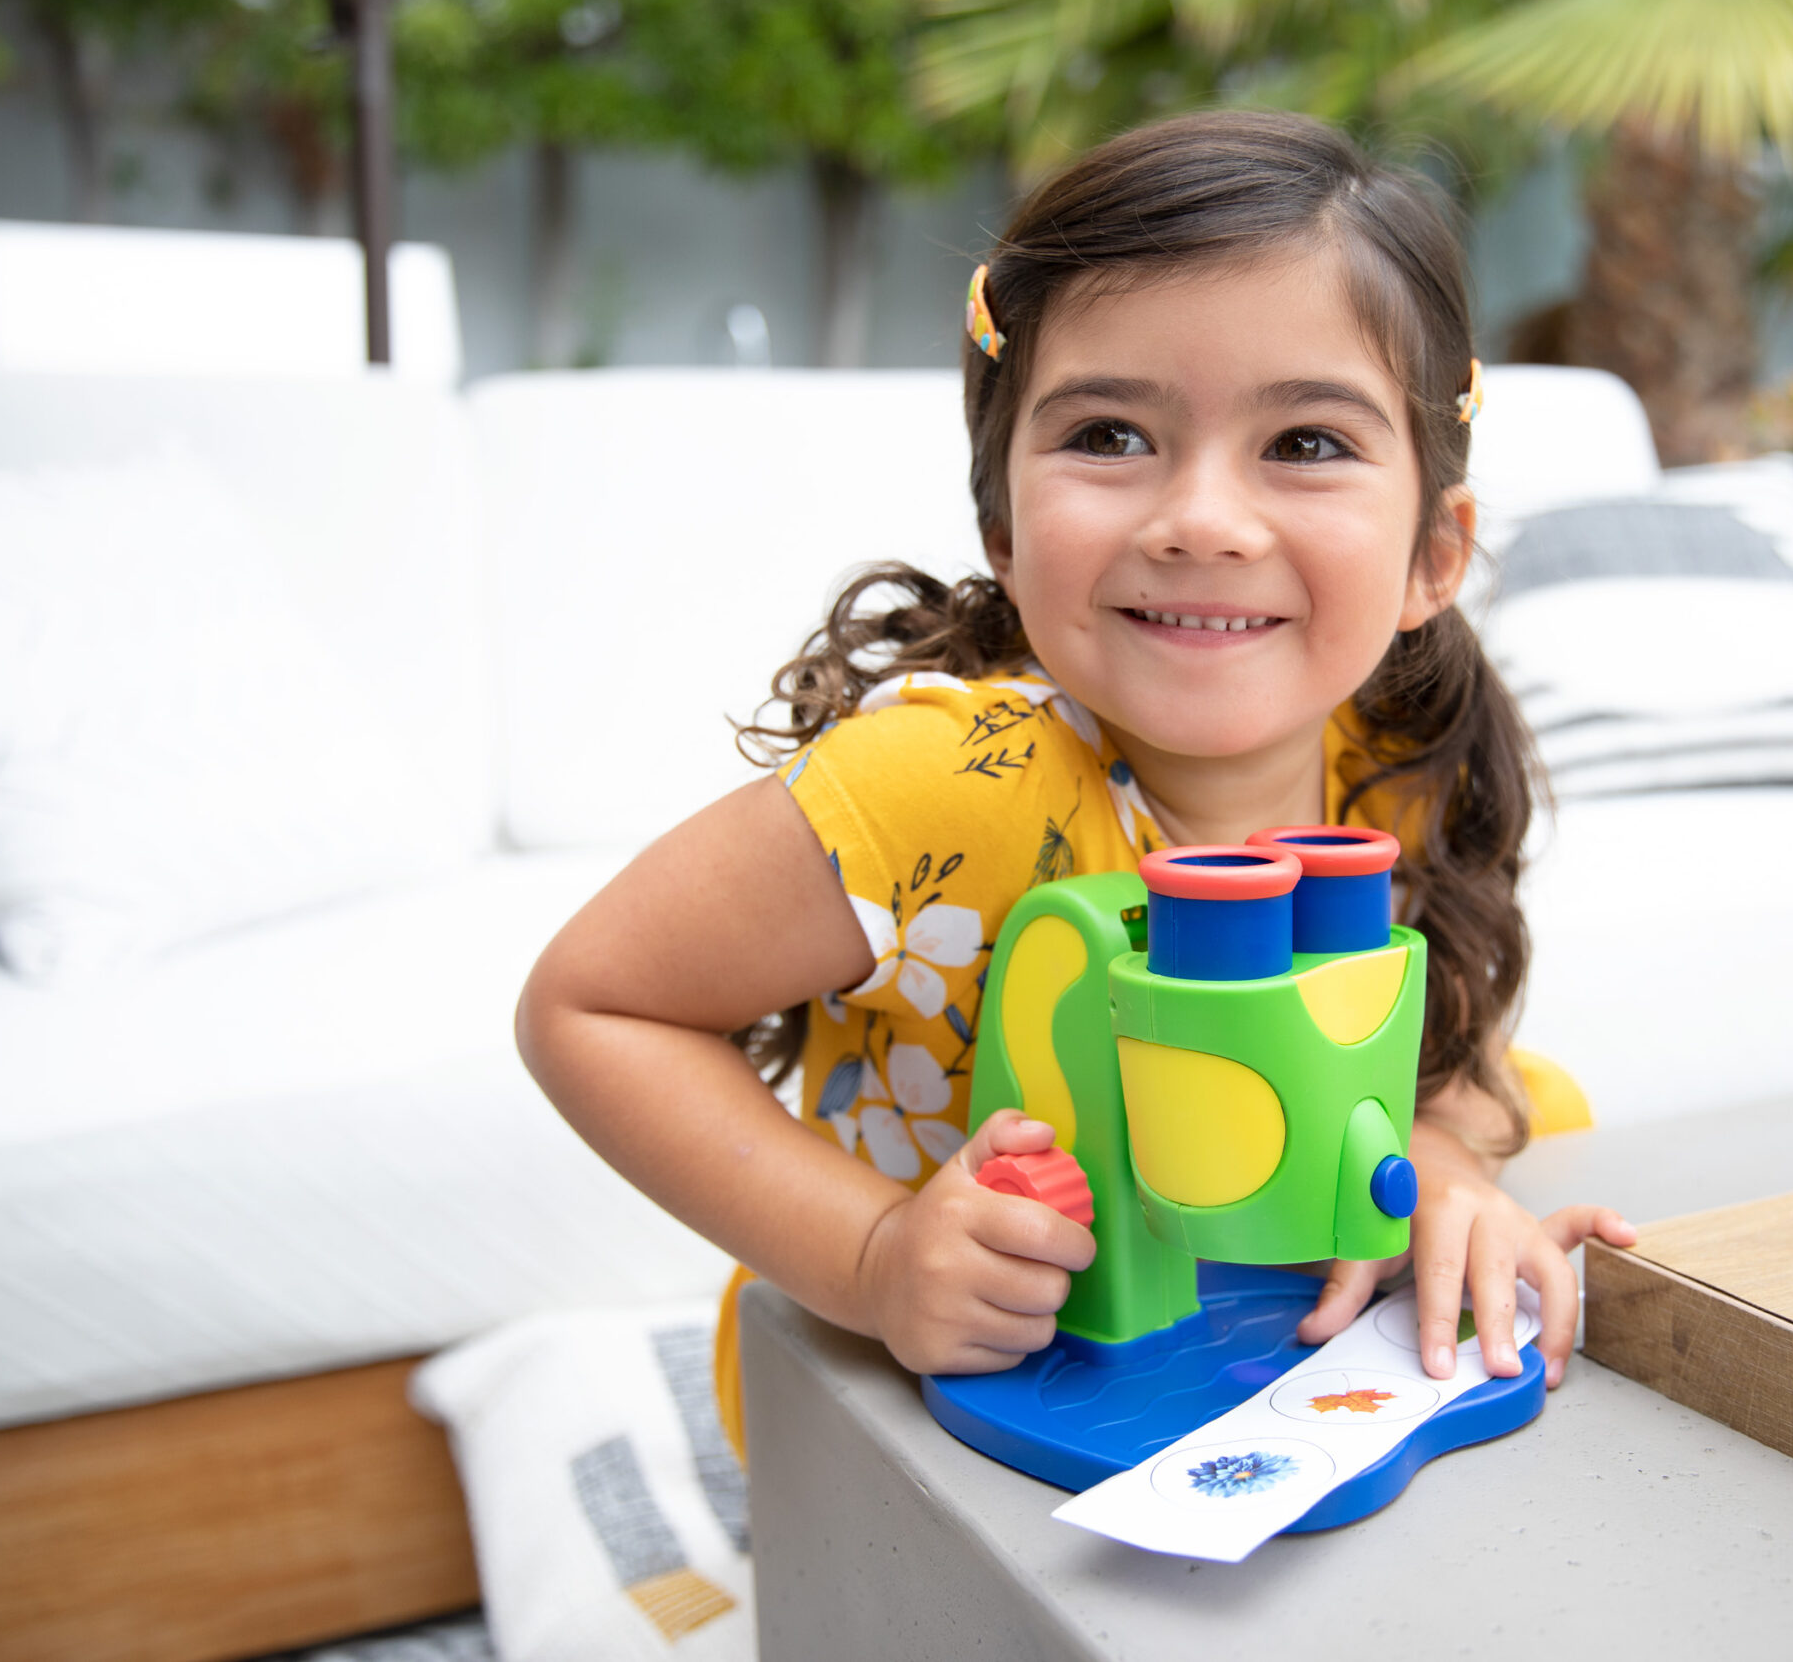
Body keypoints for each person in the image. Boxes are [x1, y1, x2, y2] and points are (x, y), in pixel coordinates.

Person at [516, 112, 1637, 1441]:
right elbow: (591, 1008)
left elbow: (1438, 1046)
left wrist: (1435, 1161)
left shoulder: (1400, 760)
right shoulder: (941, 786)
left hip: (1249, 1343)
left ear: (1432, 558)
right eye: (1109, 435)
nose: (1202, 521)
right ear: (1001, 523)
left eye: (1305, 444)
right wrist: (876, 1258)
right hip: (907, 1419)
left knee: (1542, 1116)